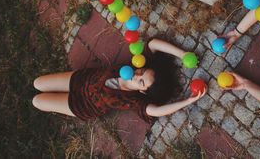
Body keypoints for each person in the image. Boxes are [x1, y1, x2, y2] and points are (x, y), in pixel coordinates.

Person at [32, 38, 207, 121]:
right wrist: (183, 54)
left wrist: (188, 101)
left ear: (142, 90)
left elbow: (158, 111)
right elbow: (153, 44)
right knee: (37, 83)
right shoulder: (134, 64)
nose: (136, 74)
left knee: (37, 101)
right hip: (81, 80)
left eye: (141, 81)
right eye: (141, 71)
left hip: (83, 105)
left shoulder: (133, 100)